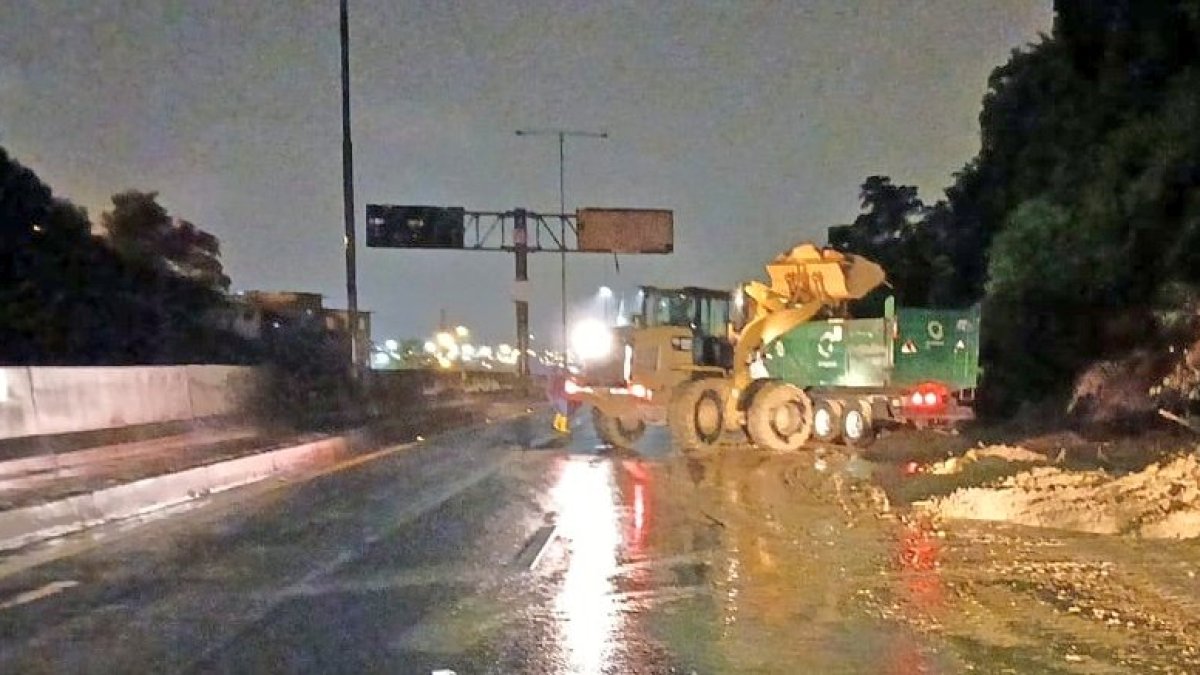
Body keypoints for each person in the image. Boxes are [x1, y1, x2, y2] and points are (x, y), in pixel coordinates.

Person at [546, 367, 580, 434]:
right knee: (564, 412)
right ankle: (562, 427)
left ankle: (556, 425)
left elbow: (550, 389)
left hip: (556, 397)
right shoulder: (561, 379)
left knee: (560, 412)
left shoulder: (555, 379)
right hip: (561, 397)